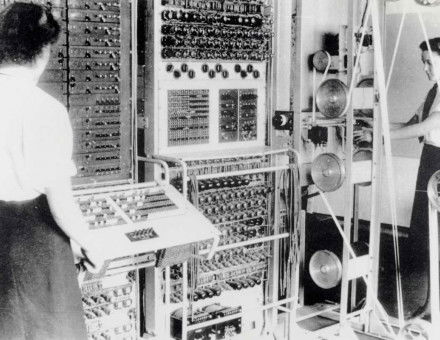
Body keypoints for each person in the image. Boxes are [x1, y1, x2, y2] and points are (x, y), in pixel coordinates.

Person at [0, 3, 103, 339]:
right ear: (43, 51)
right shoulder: (45, 110)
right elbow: (60, 204)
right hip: (35, 249)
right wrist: (88, 243)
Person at [356, 37, 440, 318]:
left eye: (430, 62)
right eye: (423, 63)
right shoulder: (434, 91)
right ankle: (429, 305)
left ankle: (432, 307)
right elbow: (410, 125)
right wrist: (372, 124)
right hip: (429, 163)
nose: (426, 68)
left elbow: (431, 125)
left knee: (437, 234)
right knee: (426, 234)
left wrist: (379, 136)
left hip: (438, 165)